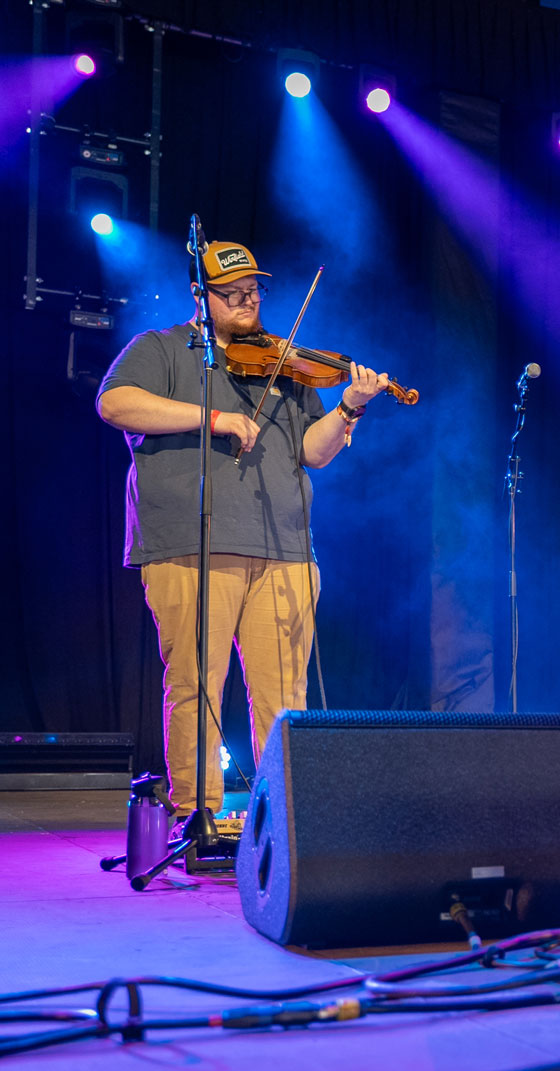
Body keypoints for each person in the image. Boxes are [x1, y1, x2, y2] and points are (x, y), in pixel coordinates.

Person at [96, 241, 389, 818]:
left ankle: (284, 821)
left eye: (253, 291)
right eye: (232, 294)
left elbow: (313, 451)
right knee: (196, 685)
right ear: (199, 295)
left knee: (285, 695)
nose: (248, 301)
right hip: (193, 545)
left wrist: (349, 407)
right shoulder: (161, 348)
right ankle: (197, 816)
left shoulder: (282, 361)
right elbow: (116, 403)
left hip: (283, 548)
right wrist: (215, 418)